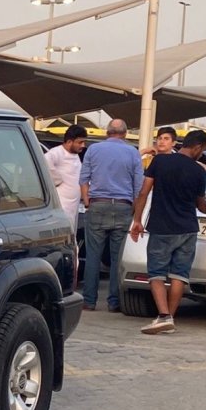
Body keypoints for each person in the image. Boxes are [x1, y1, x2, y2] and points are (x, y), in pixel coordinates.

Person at [129, 129, 206, 335]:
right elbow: (201, 204)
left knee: (157, 274)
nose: (201, 153)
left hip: (162, 227)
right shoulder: (199, 172)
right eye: (202, 150)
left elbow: (144, 191)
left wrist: (137, 220)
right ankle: (169, 318)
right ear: (197, 147)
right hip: (188, 229)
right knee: (179, 275)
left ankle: (164, 316)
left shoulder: (160, 162)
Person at [78, 118, 143, 312]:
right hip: (123, 207)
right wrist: (133, 209)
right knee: (117, 258)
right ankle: (114, 302)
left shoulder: (93, 150)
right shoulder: (133, 152)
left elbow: (84, 179)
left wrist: (87, 201)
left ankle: (89, 300)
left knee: (93, 256)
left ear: (107, 132)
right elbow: (138, 186)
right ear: (124, 134)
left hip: (97, 205)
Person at [44, 125, 87, 283]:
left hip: (74, 207)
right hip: (61, 207)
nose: (83, 146)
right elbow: (45, 164)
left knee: (71, 241)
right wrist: (57, 180)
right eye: (80, 142)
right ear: (69, 141)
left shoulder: (76, 157)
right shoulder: (55, 153)